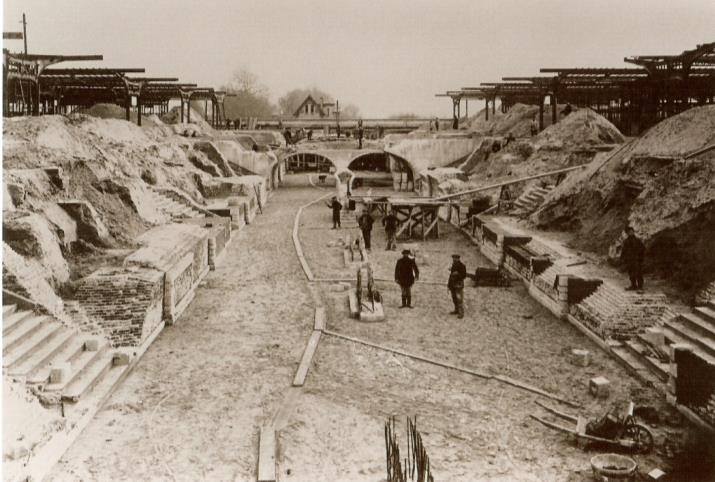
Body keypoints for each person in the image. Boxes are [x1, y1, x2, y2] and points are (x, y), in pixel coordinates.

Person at [621, 226, 645, 291]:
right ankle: (633, 285)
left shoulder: (637, 240)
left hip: (637, 260)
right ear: (627, 233)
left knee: (638, 273)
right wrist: (623, 259)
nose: (631, 232)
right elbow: (624, 251)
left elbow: (643, 249)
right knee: (631, 273)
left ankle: (640, 287)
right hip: (630, 260)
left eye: (632, 231)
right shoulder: (626, 241)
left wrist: (640, 258)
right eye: (629, 232)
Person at [448, 254, 467, 318]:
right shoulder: (454, 265)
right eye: (453, 258)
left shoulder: (462, 266)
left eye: (455, 258)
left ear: (458, 259)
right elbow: (451, 276)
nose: (453, 259)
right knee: (454, 298)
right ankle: (456, 310)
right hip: (453, 285)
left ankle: (461, 313)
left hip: (458, 285)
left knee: (459, 299)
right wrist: (449, 285)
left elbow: (464, 276)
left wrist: (457, 274)